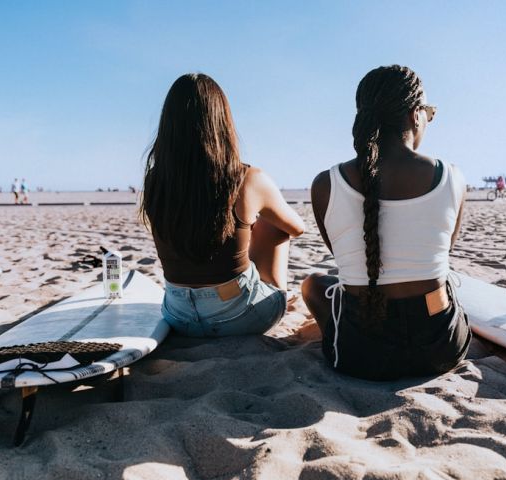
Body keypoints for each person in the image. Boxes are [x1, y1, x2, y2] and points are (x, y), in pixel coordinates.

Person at [301, 65, 470, 381]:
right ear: (415, 115)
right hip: (440, 347)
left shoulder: (326, 184)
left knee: (312, 285)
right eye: (429, 114)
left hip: (359, 353)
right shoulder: (452, 178)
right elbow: (444, 253)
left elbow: (345, 260)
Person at [140, 73, 304, 337]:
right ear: (222, 122)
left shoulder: (155, 181)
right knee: (274, 227)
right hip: (241, 317)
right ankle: (273, 291)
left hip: (178, 316)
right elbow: (297, 228)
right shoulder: (248, 178)